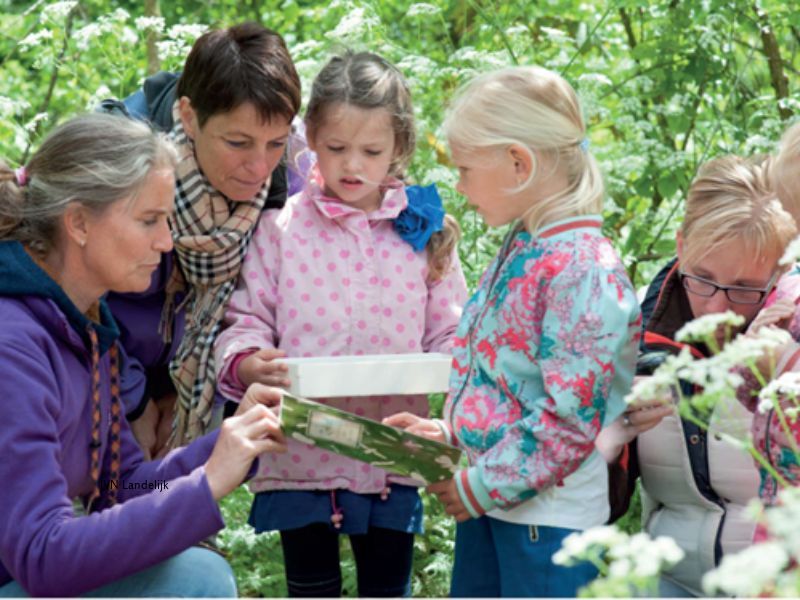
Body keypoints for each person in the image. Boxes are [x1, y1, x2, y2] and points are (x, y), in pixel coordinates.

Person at [213, 51, 468, 597]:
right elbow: (246, 318)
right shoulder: (280, 230)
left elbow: (452, 334)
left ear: (399, 147)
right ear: (311, 138)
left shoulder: (423, 232)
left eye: (371, 151)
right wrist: (249, 360)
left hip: (390, 452)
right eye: (335, 148)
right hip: (300, 451)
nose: (352, 165)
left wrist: (451, 380)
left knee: (386, 589)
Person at [0, 113, 287, 597]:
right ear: (78, 222)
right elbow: (42, 556)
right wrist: (206, 483)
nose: (166, 241)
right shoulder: (13, 345)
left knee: (196, 573)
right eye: (149, 220)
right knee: (199, 579)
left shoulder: (85, 330)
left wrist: (235, 443)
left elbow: (122, 487)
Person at [385, 66, 641, 597]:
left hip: (549, 524)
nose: (459, 186)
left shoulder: (581, 268)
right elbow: (508, 378)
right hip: (498, 505)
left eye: (465, 169)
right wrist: (456, 435)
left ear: (519, 164)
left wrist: (482, 483)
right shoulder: (528, 247)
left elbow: (570, 419)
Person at [596, 155, 797, 596]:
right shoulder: (634, 330)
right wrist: (608, 445)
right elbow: (597, 509)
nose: (716, 307)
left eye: (744, 287)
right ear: (681, 245)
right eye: (702, 278)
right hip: (664, 583)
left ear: (782, 271)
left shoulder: (791, 343)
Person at [102, 22, 302, 457]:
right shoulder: (116, 165)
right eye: (238, 143)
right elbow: (71, 300)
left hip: (200, 398)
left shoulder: (288, 171)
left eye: (275, 144)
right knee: (114, 502)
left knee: (173, 505)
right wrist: (134, 402)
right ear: (189, 117)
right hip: (101, 381)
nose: (259, 166)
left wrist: (421, 227)